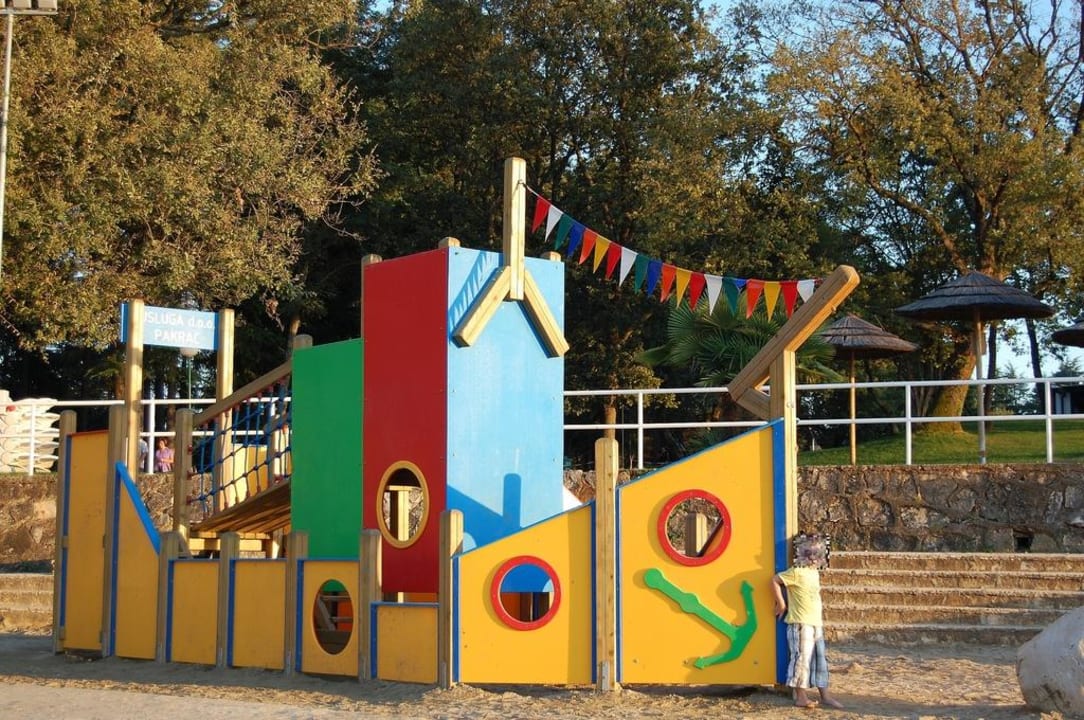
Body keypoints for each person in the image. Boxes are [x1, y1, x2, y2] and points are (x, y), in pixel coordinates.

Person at [770, 532, 844, 709]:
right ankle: (801, 696)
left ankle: (825, 694)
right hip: (800, 622)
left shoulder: (813, 573)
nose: (812, 558)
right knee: (801, 658)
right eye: (808, 554)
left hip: (815, 622)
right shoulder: (796, 572)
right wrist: (781, 603)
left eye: (816, 554)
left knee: (820, 659)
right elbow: (774, 580)